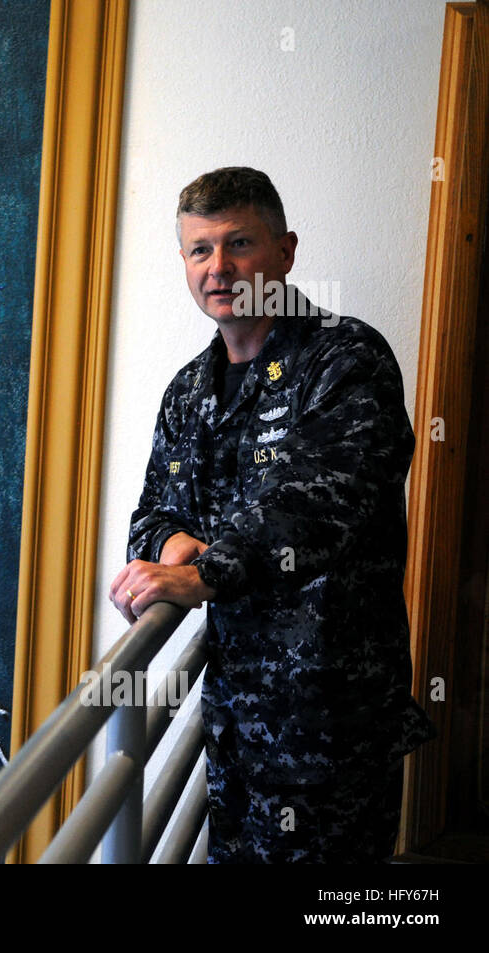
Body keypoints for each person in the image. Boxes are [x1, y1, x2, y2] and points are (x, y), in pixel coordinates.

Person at [108, 167, 435, 863]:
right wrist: (171, 544)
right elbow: (152, 516)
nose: (219, 267)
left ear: (284, 252)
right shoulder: (188, 391)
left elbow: (321, 502)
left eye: (239, 243)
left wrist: (207, 571)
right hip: (234, 731)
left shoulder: (347, 359)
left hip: (332, 732)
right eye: (200, 250)